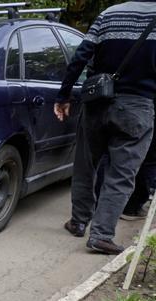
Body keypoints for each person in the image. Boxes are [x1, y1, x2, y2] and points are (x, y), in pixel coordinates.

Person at [55, 2, 156, 254]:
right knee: (121, 174)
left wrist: (63, 95)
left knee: (85, 164)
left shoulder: (109, 13)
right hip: (138, 107)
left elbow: (80, 56)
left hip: (96, 102)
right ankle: (101, 235)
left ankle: (78, 222)